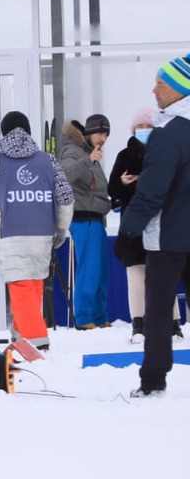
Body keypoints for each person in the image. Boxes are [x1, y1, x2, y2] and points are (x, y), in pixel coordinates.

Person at [0, 112, 74, 351]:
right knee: (32, 287)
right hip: (43, 235)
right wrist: (61, 230)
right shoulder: (48, 161)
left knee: (22, 289)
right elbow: (66, 199)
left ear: (3, 132)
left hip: (12, 235)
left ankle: (37, 346)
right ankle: (20, 341)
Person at [118, 55, 190, 397]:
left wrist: (128, 230)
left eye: (161, 83)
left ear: (179, 90)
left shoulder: (169, 135)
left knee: (159, 311)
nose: (154, 89)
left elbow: (151, 191)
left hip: (167, 238)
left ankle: (153, 380)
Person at [107, 109, 179, 339]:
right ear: (133, 130)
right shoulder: (125, 156)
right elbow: (113, 189)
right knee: (136, 274)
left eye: (149, 126)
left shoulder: (166, 154)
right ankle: (138, 324)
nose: (144, 130)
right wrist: (126, 184)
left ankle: (173, 324)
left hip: (163, 223)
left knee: (165, 276)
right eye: (141, 127)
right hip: (134, 223)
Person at [58, 113, 112, 329]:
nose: (103, 138)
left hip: (95, 216)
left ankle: (99, 316)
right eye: (99, 133)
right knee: (89, 270)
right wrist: (88, 160)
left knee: (99, 271)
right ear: (88, 133)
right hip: (83, 217)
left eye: (106, 134)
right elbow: (64, 174)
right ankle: (85, 318)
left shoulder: (90, 152)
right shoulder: (74, 151)